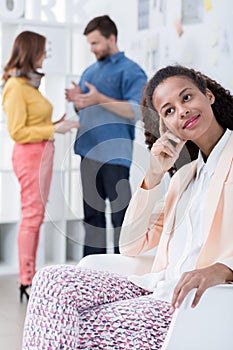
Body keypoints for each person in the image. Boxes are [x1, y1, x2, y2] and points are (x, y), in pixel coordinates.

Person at [22, 65, 233, 349]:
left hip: (193, 301)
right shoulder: (185, 176)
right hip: (156, 286)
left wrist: (223, 269)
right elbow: (132, 244)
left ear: (208, 96)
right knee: (50, 281)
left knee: (70, 325)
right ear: (164, 125)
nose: (181, 111)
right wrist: (155, 174)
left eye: (186, 98)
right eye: (168, 111)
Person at [1, 31, 79, 303]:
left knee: (35, 216)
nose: (45, 55)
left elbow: (33, 124)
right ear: (31, 51)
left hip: (41, 153)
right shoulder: (15, 88)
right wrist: (55, 127)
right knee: (32, 217)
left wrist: (57, 124)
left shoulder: (28, 85)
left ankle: (29, 278)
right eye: (43, 50)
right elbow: (18, 132)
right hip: (31, 155)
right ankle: (27, 279)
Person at [65, 15, 147, 256]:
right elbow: (84, 109)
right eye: (89, 44)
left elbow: (137, 111)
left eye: (96, 43)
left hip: (115, 157)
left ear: (112, 38)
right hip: (88, 153)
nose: (92, 49)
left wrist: (100, 98)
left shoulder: (131, 71)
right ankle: (92, 277)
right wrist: (78, 101)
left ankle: (123, 275)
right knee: (93, 220)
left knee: (122, 220)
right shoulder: (89, 72)